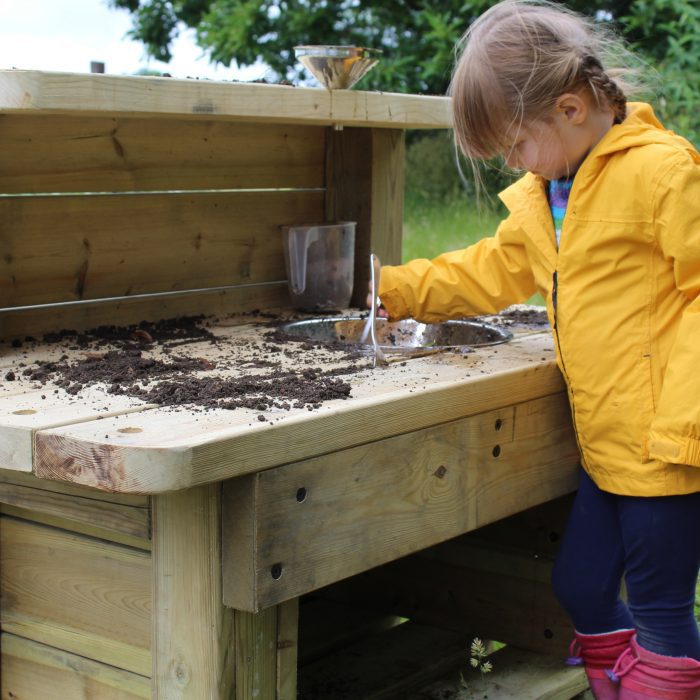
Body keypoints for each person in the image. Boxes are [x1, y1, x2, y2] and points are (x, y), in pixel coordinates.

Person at [369, 1, 700, 698]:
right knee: (578, 586)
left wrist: (684, 421)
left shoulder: (663, 174)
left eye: (516, 144)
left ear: (572, 109)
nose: (511, 162)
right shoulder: (552, 191)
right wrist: (394, 289)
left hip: (668, 455)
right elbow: (490, 268)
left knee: (662, 612)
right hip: (606, 447)